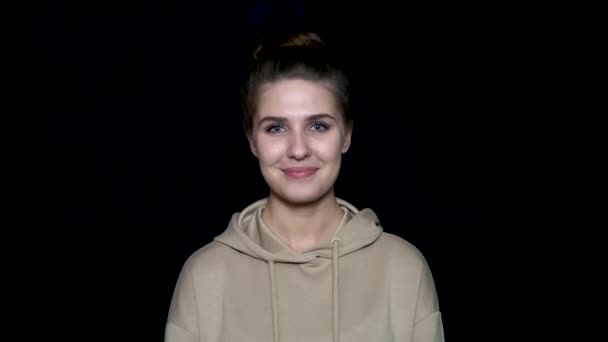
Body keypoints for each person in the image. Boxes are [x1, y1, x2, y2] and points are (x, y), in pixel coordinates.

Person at [165, 31, 444, 342]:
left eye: (318, 126)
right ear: (252, 140)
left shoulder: (403, 270)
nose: (298, 149)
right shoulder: (204, 277)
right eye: (276, 128)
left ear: (347, 134)